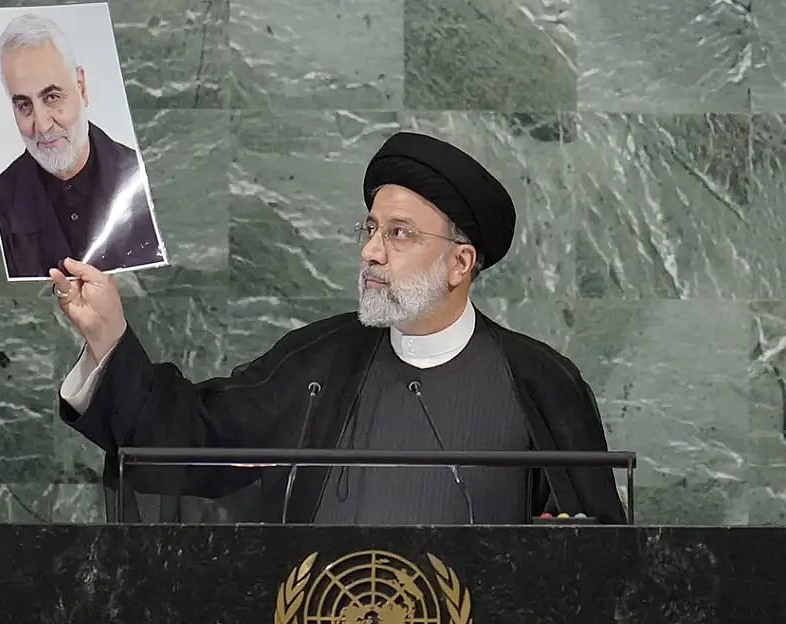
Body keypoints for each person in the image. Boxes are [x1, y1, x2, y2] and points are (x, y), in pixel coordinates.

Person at [52, 131, 627, 525]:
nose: (372, 252)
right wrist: (108, 338)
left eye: (400, 234)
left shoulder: (541, 382)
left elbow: (590, 570)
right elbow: (194, 438)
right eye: (371, 229)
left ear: (460, 263)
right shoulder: (320, 360)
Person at [0, 13, 163, 279]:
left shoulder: (149, 178)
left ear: (82, 87)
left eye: (52, 97)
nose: (43, 124)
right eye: (24, 105)